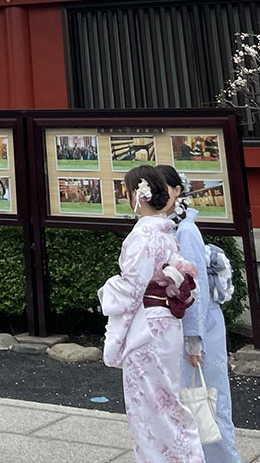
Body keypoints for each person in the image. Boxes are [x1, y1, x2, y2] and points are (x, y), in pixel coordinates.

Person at [99, 164, 204, 462]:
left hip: (146, 328)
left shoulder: (143, 235)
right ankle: (185, 455)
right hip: (166, 324)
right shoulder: (166, 232)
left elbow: (132, 288)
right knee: (167, 400)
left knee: (147, 407)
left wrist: (107, 290)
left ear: (138, 194)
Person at [159, 165, 241, 463]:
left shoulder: (186, 230)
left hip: (200, 326)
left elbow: (197, 289)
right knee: (190, 402)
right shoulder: (167, 226)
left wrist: (194, 339)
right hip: (185, 325)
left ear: (177, 190)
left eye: (162, 188)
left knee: (209, 402)